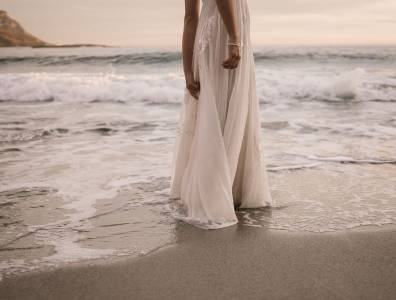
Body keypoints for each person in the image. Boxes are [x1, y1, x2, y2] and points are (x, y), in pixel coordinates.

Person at [169, 0, 274, 229]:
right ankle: (221, 194)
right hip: (223, 36)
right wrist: (235, 38)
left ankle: (218, 190)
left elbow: (190, 18)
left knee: (216, 111)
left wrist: (187, 70)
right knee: (228, 108)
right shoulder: (232, 36)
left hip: (211, 37)